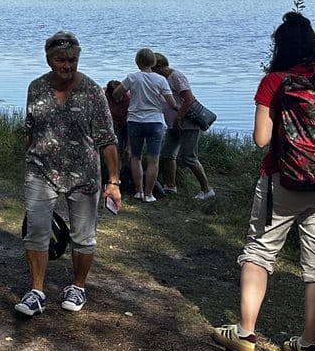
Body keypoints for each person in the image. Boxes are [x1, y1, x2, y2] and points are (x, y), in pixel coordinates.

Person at [210, 12, 315, 351]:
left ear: (280, 47)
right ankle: (308, 345)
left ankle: (244, 335)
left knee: (259, 252)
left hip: (282, 182)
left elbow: (261, 139)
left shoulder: (274, 81)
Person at [16, 31, 121, 315]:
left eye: (72, 59)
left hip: (84, 173)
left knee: (83, 236)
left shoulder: (92, 92)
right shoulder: (36, 88)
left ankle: (77, 287)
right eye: (61, 60)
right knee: (37, 231)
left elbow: (107, 140)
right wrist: (29, 161)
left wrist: (113, 181)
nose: (67, 65)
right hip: (41, 171)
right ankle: (36, 291)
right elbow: (30, 130)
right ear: (49, 60)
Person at [109, 48, 176, 203]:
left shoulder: (132, 78)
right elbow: (171, 102)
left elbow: (116, 94)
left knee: (136, 157)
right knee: (153, 160)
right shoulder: (160, 80)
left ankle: (138, 191)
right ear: (153, 62)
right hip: (155, 122)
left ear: (137, 62)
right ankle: (149, 194)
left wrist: (133, 96)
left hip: (135, 121)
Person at [153, 52, 216, 199]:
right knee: (167, 154)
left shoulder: (176, 77)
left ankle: (207, 189)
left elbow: (188, 99)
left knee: (189, 156)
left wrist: (178, 118)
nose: (151, 72)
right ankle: (170, 186)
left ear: (160, 67)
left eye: (153, 69)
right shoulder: (162, 79)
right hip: (173, 124)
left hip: (187, 123)